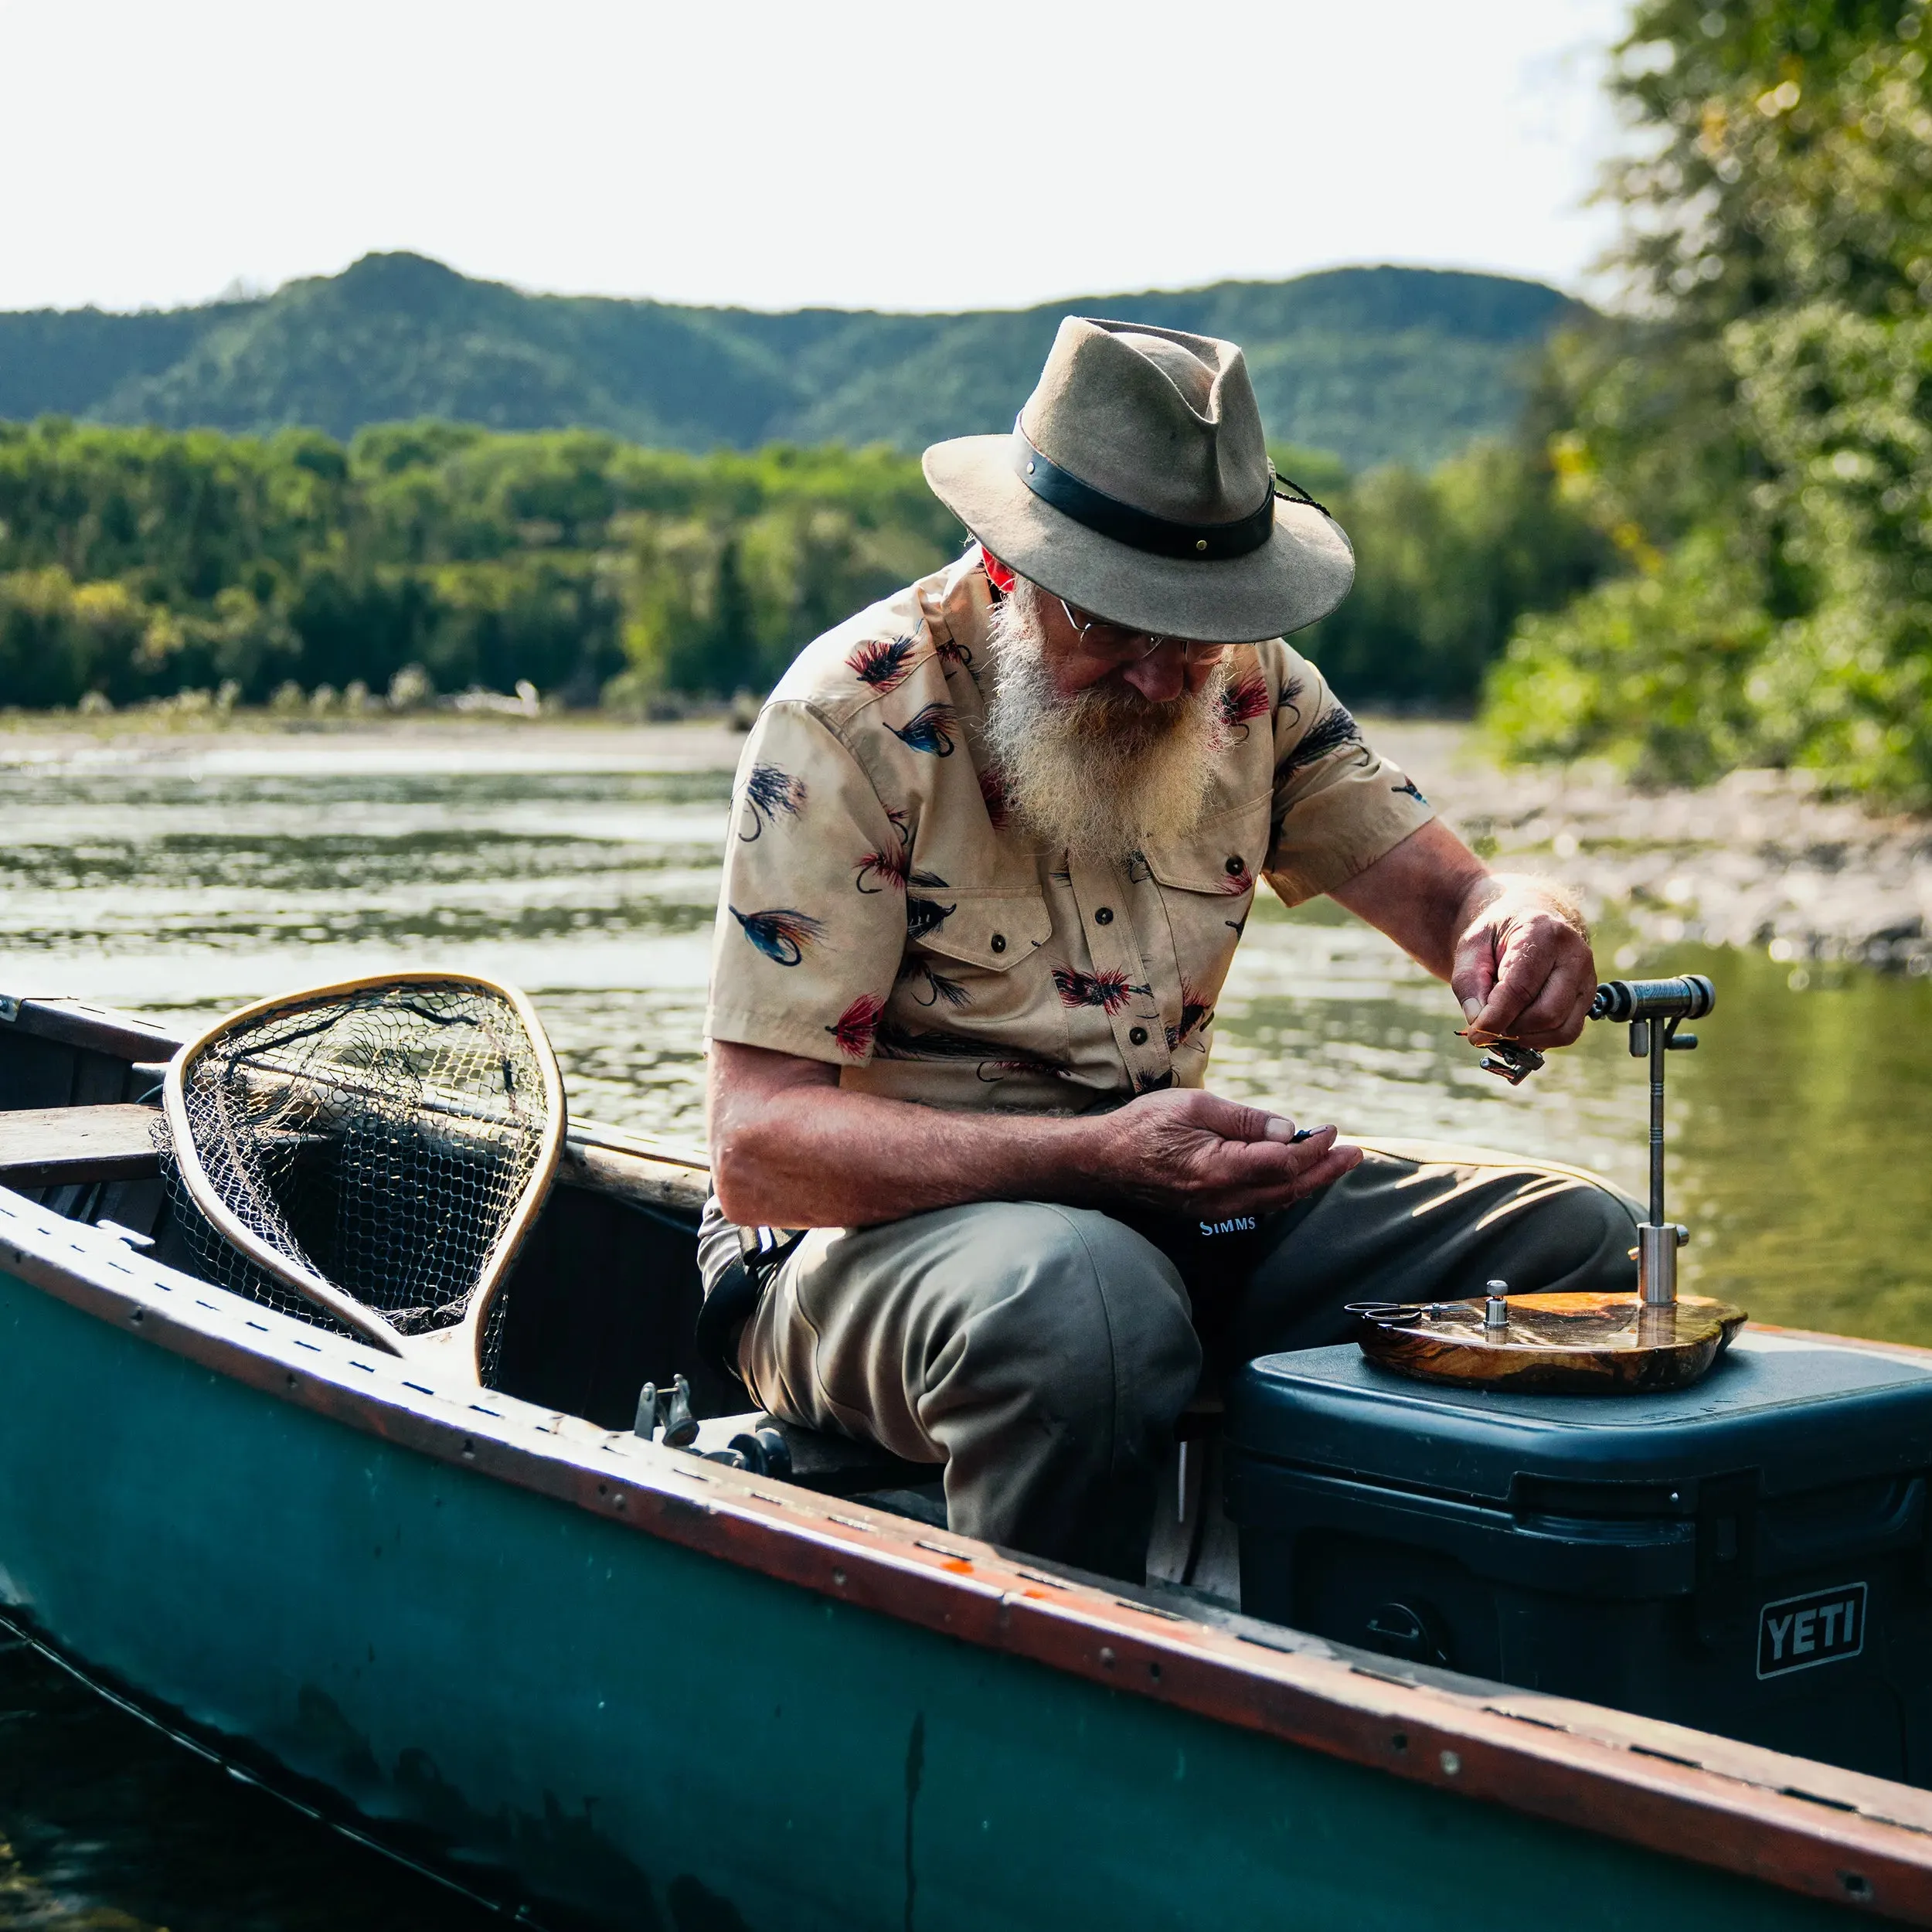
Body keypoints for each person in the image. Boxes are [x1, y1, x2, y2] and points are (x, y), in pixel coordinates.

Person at [698, 316, 1635, 1580]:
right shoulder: (848, 715)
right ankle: (1049, 1699)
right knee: (1085, 1305)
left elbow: (1455, 900)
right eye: (1120, 624)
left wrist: (1531, 921)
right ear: (1008, 565)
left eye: (1195, 625)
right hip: (855, 1258)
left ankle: (1379, 1629)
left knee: (1577, 1240)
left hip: (1155, 1218)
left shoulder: (1247, 683)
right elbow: (759, 1154)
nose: (1164, 672)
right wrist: (1095, 1163)